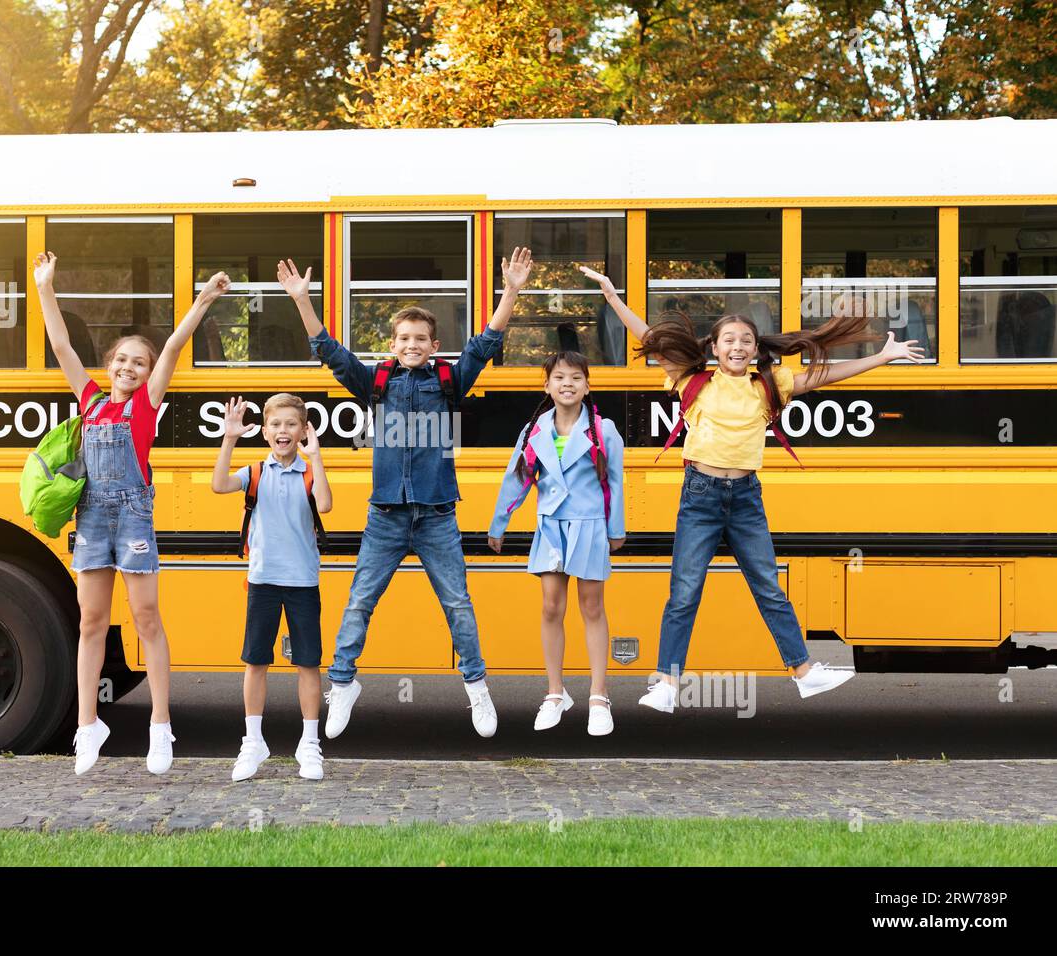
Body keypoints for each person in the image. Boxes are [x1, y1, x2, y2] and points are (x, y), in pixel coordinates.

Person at [580, 267, 925, 711]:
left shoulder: (769, 384)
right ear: (715, 348)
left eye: (745, 340)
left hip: (744, 498)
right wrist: (612, 298)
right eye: (729, 340)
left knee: (767, 586)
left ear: (755, 348)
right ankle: (666, 682)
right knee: (685, 590)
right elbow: (650, 336)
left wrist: (882, 356)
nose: (738, 346)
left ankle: (804, 674)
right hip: (700, 496)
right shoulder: (693, 378)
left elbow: (828, 376)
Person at [277, 248, 533, 739]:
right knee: (358, 603)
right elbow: (330, 351)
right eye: (403, 339)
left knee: (457, 605)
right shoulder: (376, 382)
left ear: (434, 344)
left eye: (420, 338)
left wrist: (512, 292)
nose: (411, 344)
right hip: (386, 516)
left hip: (437, 515)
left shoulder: (448, 381)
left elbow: (485, 344)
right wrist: (302, 302)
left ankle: (477, 688)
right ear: (392, 344)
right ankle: (344, 684)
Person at [34, 250, 230, 773]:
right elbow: (60, 344)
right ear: (109, 366)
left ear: (146, 376)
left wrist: (205, 300)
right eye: (122, 360)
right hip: (93, 519)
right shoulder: (90, 399)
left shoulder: (145, 405)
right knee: (91, 622)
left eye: (137, 364)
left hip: (135, 519)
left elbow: (173, 345)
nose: (129, 367)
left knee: (146, 618)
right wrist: (46, 288)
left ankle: (160, 726)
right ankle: (87, 725)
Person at [488, 351, 625, 734]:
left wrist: (616, 529)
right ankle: (555, 692)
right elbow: (516, 479)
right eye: (560, 378)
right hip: (550, 527)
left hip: (589, 526)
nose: (568, 384)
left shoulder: (603, 430)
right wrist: (499, 524)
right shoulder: (534, 431)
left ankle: (599, 695)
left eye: (576, 378)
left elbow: (614, 482)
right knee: (551, 606)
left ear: (587, 385)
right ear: (546, 386)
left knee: (592, 606)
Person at [211, 393, 332, 781]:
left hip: (302, 582)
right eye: (276, 425)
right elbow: (217, 484)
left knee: (308, 662)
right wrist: (229, 438)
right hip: (262, 580)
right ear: (264, 432)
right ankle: (252, 741)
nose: (284, 431)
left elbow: (326, 506)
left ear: (303, 431)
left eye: (291, 425)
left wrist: (316, 458)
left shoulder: (309, 472)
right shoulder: (254, 473)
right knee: (256, 661)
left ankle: (309, 744)